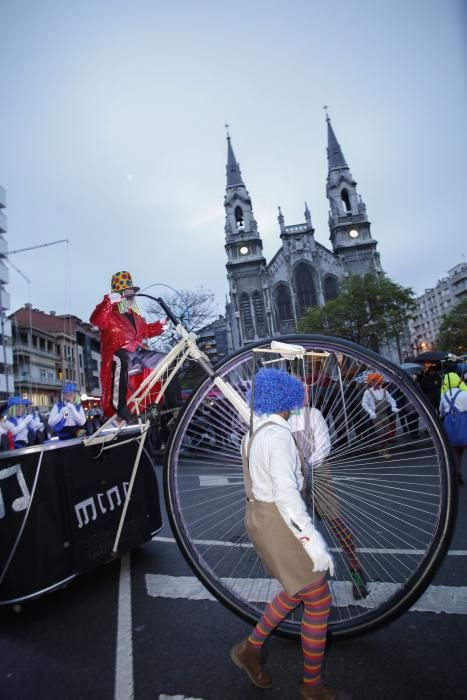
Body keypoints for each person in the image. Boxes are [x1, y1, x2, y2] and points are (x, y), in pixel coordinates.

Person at [230, 368, 351, 700]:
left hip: (257, 517)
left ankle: (250, 649)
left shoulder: (253, 433)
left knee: (299, 590)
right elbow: (286, 495)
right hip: (277, 520)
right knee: (319, 598)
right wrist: (313, 543)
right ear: (287, 399)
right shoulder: (280, 435)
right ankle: (311, 685)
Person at [90, 271, 168, 421]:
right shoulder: (109, 314)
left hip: (138, 353)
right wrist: (108, 301)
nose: (131, 296)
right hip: (119, 353)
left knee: (167, 360)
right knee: (121, 358)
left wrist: (160, 325)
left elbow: (146, 330)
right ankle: (120, 407)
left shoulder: (135, 316)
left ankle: (172, 402)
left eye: (132, 293)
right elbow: (97, 320)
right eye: (128, 293)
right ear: (119, 295)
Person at [361, 373, 399, 458]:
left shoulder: (384, 391)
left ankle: (381, 448)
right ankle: (385, 450)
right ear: (370, 382)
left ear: (380, 381)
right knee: (381, 432)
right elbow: (364, 403)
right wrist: (370, 412)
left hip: (384, 414)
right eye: (373, 381)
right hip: (375, 415)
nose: (374, 383)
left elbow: (391, 400)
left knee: (386, 433)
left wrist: (393, 407)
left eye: (376, 380)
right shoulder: (367, 392)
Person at [439, 372, 467, 486]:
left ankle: (457, 472)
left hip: (450, 426)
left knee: (456, 452)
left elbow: (441, 412)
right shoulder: (465, 394)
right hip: (464, 423)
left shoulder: (444, 396)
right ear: (458, 381)